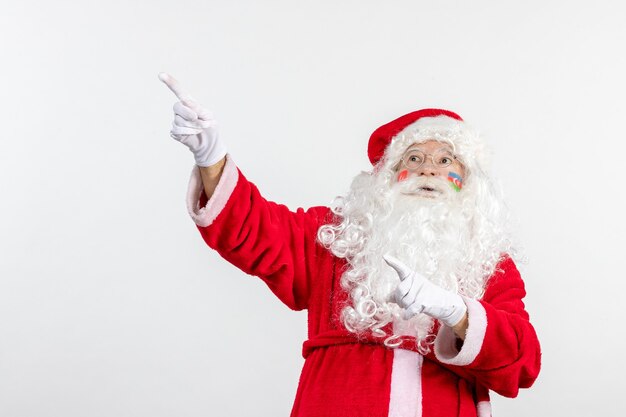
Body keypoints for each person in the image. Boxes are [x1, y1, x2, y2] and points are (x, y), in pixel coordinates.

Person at [159, 72, 541, 417]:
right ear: (388, 176)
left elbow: (523, 363)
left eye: (445, 160)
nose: (428, 169)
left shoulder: (488, 260)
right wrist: (212, 159)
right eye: (414, 157)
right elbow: (255, 228)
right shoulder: (337, 236)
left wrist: (456, 312)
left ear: (468, 181)